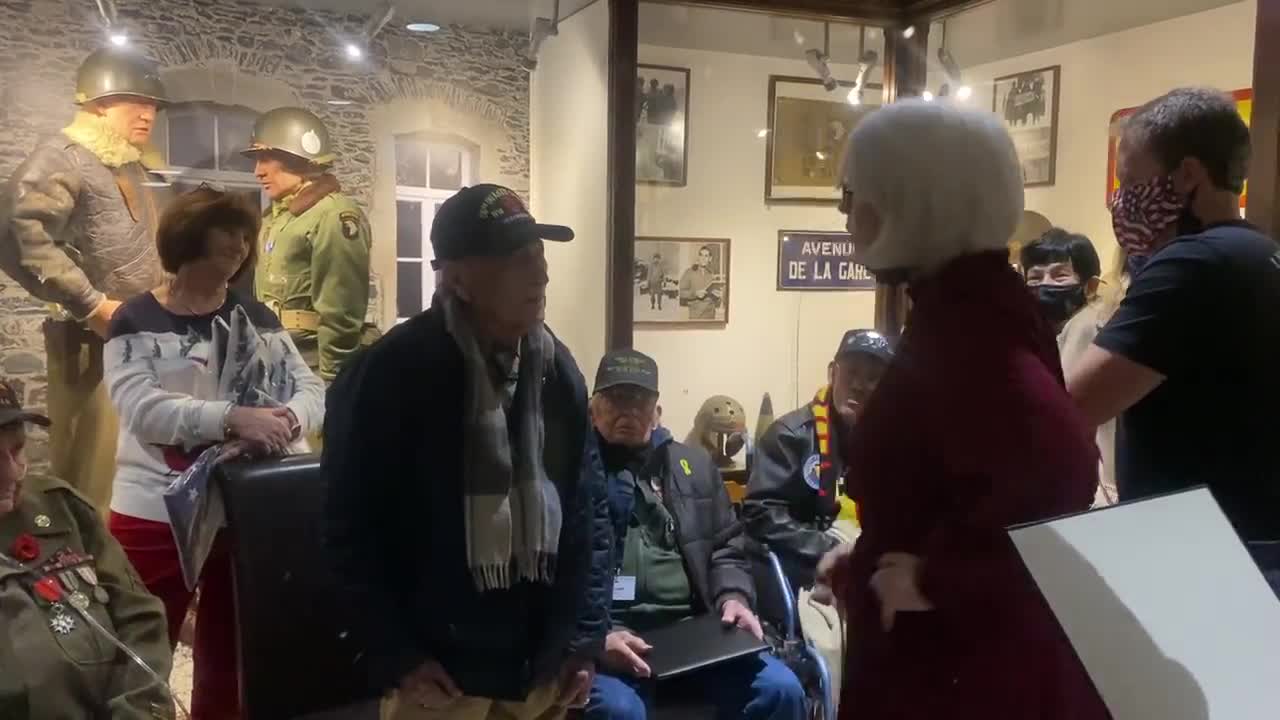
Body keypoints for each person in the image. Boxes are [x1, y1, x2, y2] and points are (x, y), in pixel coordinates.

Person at [821, 100, 1106, 720]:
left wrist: (935, 578)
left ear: (910, 198)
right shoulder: (967, 306)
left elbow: (1063, 471)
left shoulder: (970, 325)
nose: (846, 217)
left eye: (852, 196)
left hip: (951, 675)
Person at [323, 184, 612, 720]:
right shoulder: (393, 374)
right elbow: (348, 530)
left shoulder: (556, 370)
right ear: (459, 278)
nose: (540, 273)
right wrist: (397, 655)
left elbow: (588, 512)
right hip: (442, 679)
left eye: (540, 254)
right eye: (516, 259)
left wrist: (584, 640)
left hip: (539, 672)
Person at [104, 187, 325, 719]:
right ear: (188, 237)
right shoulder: (135, 319)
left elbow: (310, 389)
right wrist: (230, 417)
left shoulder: (259, 317)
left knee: (231, 652)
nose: (240, 243)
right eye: (227, 230)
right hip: (154, 507)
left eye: (245, 234)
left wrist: (287, 420)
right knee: (141, 642)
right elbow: (142, 409)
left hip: (245, 507)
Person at [1067, 88, 1280, 594]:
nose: (1120, 202)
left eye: (1130, 180)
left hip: (1208, 554)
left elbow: (1073, 404)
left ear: (1187, 175)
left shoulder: (1190, 267)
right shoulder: (1261, 254)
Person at [585, 349, 804, 720]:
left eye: (639, 400)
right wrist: (594, 636)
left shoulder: (695, 467)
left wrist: (734, 597)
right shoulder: (568, 471)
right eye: (616, 400)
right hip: (609, 634)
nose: (629, 411)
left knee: (781, 691)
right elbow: (553, 572)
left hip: (693, 635)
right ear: (593, 409)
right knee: (618, 712)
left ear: (657, 412)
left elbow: (726, 548)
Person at [0, 47, 171, 513]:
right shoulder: (64, 157)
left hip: (133, 336)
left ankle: (121, 574)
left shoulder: (124, 165)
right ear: (97, 104)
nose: (148, 113)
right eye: (135, 101)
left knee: (134, 470)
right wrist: (91, 303)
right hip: (92, 343)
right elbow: (16, 232)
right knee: (94, 478)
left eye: (153, 105)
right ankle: (88, 575)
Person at [0, 378, 175, 718]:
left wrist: (138, 711)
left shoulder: (61, 508)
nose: (11, 473)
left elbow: (140, 619)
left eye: (17, 449)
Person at [743, 329, 892, 591]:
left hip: (871, 566)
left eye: (872, 378)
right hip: (806, 568)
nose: (859, 384)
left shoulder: (892, 440)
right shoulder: (789, 436)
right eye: (852, 372)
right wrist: (833, 547)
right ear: (832, 373)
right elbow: (760, 513)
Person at [243, 107, 373, 386]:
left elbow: (341, 312)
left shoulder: (333, 216)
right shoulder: (277, 218)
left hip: (312, 369)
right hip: (279, 362)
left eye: (266, 158)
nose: (258, 171)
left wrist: (333, 382)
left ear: (297, 159)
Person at [1020, 229, 1117, 505]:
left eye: (1059, 275)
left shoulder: (1087, 325)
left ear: (1090, 286)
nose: (1045, 285)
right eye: (1035, 277)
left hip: (1091, 489)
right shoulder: (1046, 331)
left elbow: (1061, 409)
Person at [678, 246, 720, 320]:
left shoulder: (711, 274)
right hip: (696, 316)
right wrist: (695, 294)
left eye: (706, 256)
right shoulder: (689, 272)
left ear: (710, 259)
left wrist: (717, 295)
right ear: (698, 257)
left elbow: (713, 296)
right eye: (701, 255)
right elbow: (680, 292)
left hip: (711, 315)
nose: (703, 258)